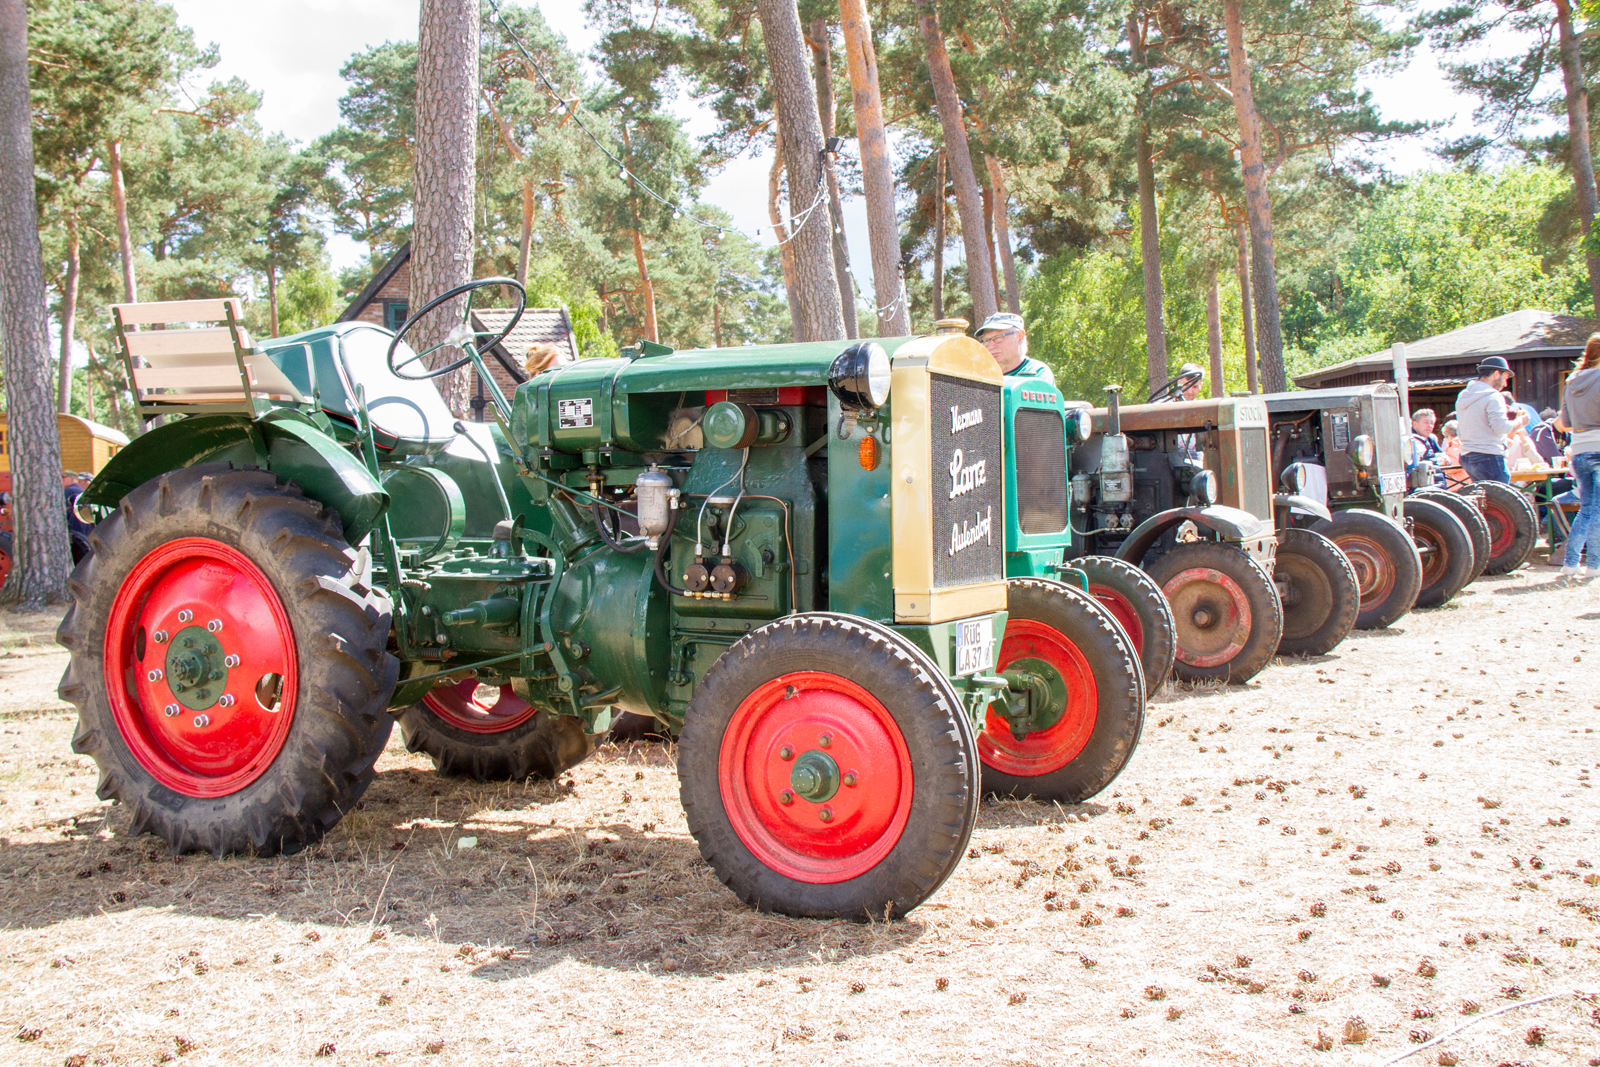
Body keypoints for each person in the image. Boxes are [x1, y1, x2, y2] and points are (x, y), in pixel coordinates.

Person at [1556, 334, 1600, 577]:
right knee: (1598, 510)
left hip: (1580, 449)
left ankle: (1570, 563)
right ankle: (1594, 565)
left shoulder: (1572, 381)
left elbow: (1565, 423)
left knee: (1586, 508)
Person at [1455, 356, 1528, 483]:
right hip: (1488, 455)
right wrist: (1521, 421)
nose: (1505, 384)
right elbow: (1501, 428)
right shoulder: (1493, 395)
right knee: (1502, 501)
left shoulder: (1464, 395)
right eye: (1505, 378)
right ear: (1496, 374)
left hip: (1468, 456)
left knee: (1483, 500)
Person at [975, 312, 1055, 384]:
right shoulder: (981, 377)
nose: (991, 346)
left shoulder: (1037, 373)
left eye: (998, 338)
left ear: (1020, 336)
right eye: (987, 340)